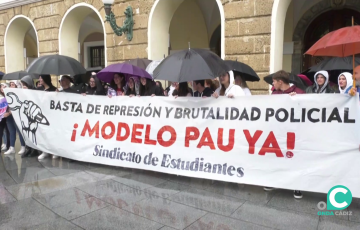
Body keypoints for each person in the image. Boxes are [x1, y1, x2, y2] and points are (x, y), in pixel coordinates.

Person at [263, 70, 304, 199]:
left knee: (293, 157)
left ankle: (298, 185)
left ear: (281, 81)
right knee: (276, 156)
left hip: (294, 132)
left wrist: (297, 100)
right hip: (278, 131)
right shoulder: (275, 93)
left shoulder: (299, 92)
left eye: (274, 81)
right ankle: (274, 181)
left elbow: (307, 109)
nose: (272, 84)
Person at [37, 75, 57, 160]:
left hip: (51, 115)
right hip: (41, 115)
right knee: (43, 133)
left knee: (52, 133)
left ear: (45, 79)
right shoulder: (38, 90)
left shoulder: (53, 89)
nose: (39, 80)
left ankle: (54, 151)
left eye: (41, 78)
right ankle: (45, 151)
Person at [19, 75, 39, 158]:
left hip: (33, 116)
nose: (24, 86)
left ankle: (34, 149)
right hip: (26, 116)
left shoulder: (36, 92)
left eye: (25, 84)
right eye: (23, 84)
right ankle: (28, 148)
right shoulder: (23, 93)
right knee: (26, 133)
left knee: (33, 132)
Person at [4, 81, 26, 155]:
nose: (11, 86)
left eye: (13, 84)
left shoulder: (19, 93)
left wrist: (9, 112)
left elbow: (19, 105)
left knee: (19, 131)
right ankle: (12, 147)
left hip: (17, 115)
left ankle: (23, 146)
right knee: (11, 131)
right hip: (9, 116)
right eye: (10, 85)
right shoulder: (8, 93)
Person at [0, 83, 10, 154]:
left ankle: (9, 146)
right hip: (2, 117)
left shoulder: (9, 95)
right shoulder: (1, 97)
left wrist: (9, 113)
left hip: (8, 116)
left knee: (8, 131)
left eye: (5, 87)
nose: (3, 88)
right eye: (2, 87)